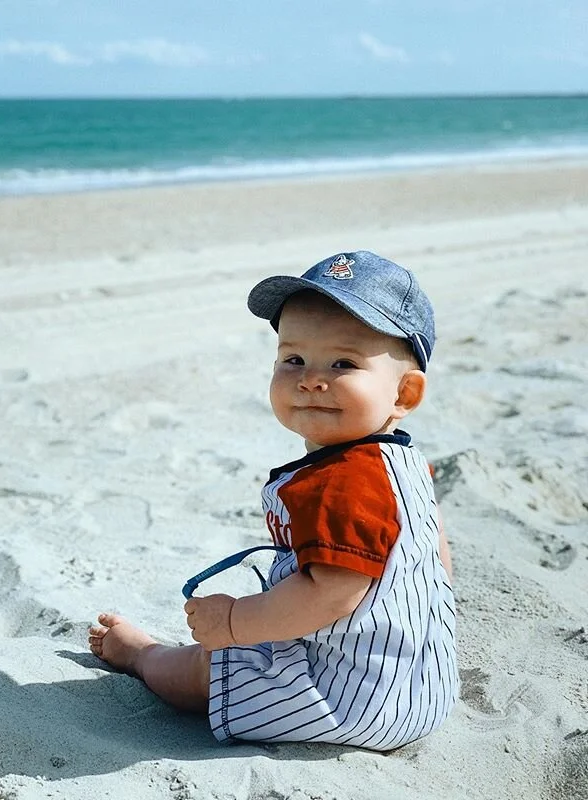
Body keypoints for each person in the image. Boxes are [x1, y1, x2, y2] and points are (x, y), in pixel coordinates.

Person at [89, 250, 458, 751]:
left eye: (343, 363)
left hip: (350, 700)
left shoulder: (343, 482)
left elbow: (331, 593)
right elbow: (436, 556)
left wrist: (234, 621)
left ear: (405, 395)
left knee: (208, 666)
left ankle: (142, 656)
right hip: (423, 684)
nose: (310, 378)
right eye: (293, 359)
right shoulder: (403, 465)